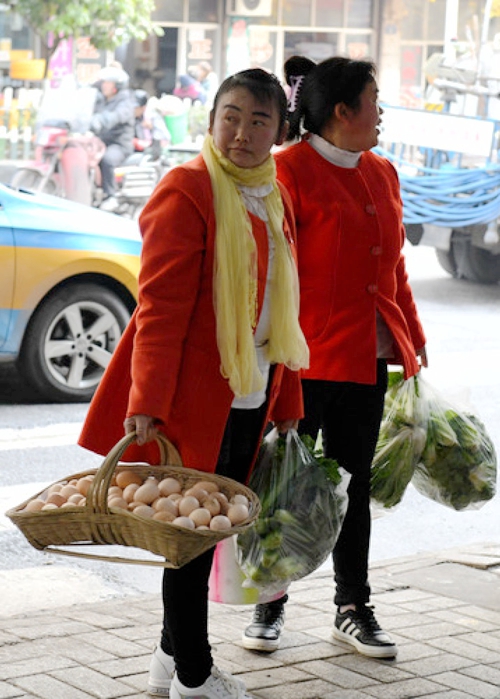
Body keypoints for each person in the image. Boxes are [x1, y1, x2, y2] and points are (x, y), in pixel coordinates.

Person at [78, 68, 309, 699]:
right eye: (230, 115)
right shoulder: (186, 189)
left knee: (208, 537)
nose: (241, 132)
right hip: (190, 401)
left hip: (253, 393)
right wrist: (145, 403)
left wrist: (287, 399)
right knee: (188, 542)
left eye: (259, 120)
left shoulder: (272, 191)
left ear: (278, 130)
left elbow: (282, 309)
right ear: (210, 119)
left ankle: (166, 663)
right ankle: (195, 677)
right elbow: (159, 307)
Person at [242, 55, 428, 660]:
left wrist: (412, 338)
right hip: (302, 364)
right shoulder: (286, 172)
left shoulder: (384, 172)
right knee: (287, 487)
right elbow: (269, 274)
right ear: (343, 112)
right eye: (375, 101)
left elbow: (393, 266)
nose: (382, 114)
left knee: (353, 488)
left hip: (364, 361)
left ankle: (352, 608)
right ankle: (269, 600)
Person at [90, 65, 135, 211]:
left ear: (116, 86)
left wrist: (101, 121)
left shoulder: (126, 102)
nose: (103, 85)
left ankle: (111, 196)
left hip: (119, 145)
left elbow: (116, 116)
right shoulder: (101, 100)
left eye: (107, 83)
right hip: (99, 142)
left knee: (107, 159)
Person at [133, 88, 170, 160]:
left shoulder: (152, 116)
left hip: (151, 152)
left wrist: (152, 128)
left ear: (143, 108)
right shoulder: (129, 117)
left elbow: (165, 138)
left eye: (135, 107)